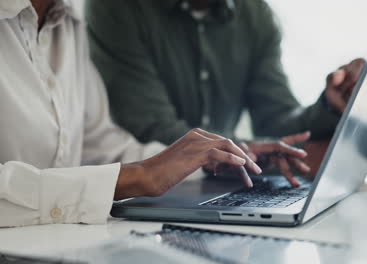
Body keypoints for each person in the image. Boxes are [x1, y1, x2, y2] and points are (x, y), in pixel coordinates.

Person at [0, 0, 311, 227]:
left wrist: (207, 162)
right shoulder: (113, 12)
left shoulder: (69, 20)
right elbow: (129, 170)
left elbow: (99, 146)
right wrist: (134, 178)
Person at [85, 0, 367, 174]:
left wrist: (330, 107)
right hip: (135, 200)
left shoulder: (255, 14)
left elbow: (276, 119)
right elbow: (156, 132)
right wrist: (301, 157)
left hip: (225, 185)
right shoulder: (116, 8)